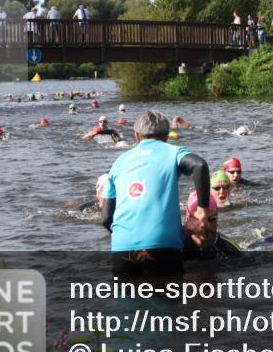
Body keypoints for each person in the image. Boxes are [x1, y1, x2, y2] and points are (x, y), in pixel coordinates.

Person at [100, 110, 212, 276]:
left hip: (122, 247)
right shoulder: (173, 152)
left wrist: (128, 236)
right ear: (166, 136)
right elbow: (199, 165)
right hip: (163, 244)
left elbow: (107, 219)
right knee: (167, 299)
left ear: (137, 136)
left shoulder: (119, 162)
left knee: (127, 300)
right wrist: (203, 209)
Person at [182, 192, 241, 259]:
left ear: (217, 221)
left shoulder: (229, 248)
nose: (205, 225)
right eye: (198, 219)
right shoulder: (177, 244)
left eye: (212, 219)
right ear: (188, 221)